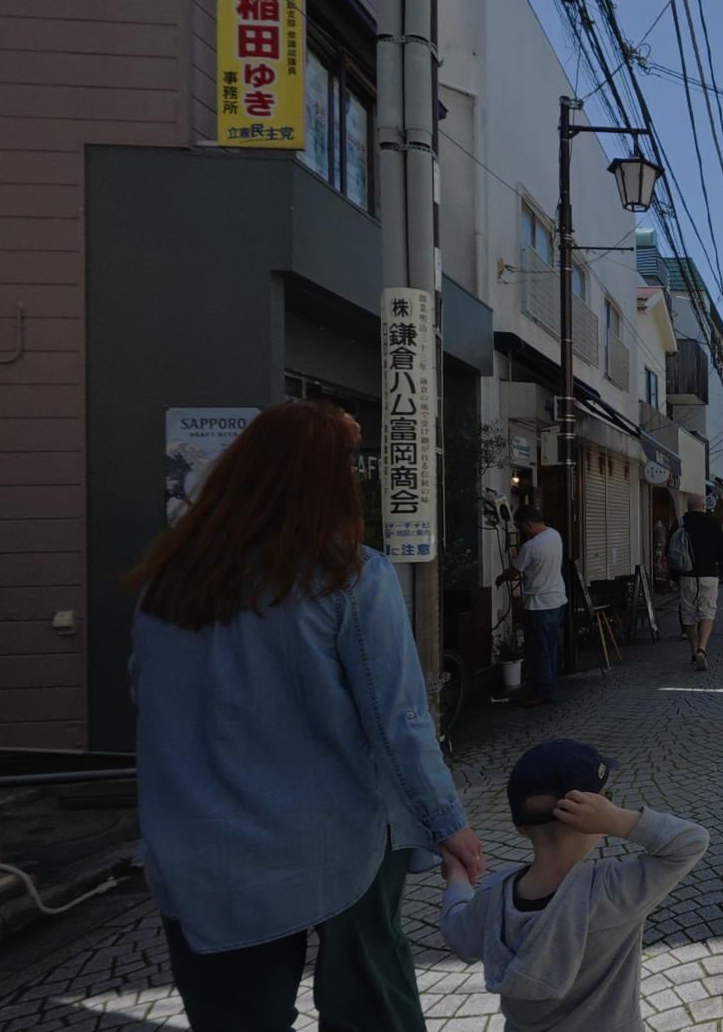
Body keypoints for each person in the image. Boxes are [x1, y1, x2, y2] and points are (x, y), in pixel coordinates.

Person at [125, 400, 484, 1031]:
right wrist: (447, 824)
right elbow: (396, 719)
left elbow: (144, 696)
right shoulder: (347, 574)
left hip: (196, 845)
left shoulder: (169, 579)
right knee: (370, 1000)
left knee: (237, 1016)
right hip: (335, 837)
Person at [441, 739, 709, 1032]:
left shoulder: (492, 897)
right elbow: (691, 842)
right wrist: (618, 821)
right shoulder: (612, 890)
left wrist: (457, 876)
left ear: (519, 828)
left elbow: (457, 933)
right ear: (593, 815)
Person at [496, 504, 566, 706]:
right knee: (549, 647)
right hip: (557, 600)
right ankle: (549, 687)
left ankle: (544, 691)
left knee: (537, 651)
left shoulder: (531, 546)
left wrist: (500, 578)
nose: (521, 532)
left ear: (529, 524)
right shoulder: (555, 535)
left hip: (539, 604)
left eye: (520, 528)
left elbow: (514, 571)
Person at [670, 492, 723, 671]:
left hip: (686, 575)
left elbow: (670, 553)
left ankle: (694, 652)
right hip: (708, 574)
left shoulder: (680, 523)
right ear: (703, 506)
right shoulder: (713, 523)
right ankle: (703, 647)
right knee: (707, 612)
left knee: (688, 615)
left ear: (687, 507)